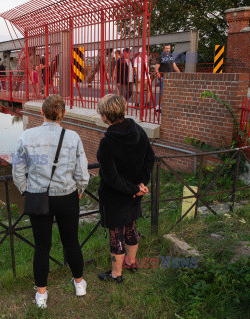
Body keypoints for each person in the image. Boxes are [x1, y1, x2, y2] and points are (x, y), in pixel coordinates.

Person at [12, 94, 90, 309]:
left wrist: (25, 190)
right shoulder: (73, 137)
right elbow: (82, 172)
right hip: (67, 196)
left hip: (38, 197)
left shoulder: (27, 136)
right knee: (71, 241)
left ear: (41, 113)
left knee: (42, 247)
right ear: (62, 114)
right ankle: (79, 283)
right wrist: (80, 189)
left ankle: (41, 295)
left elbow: (18, 169)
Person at [95, 94, 155, 283]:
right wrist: (140, 185)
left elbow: (111, 178)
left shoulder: (107, 142)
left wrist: (133, 188)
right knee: (131, 227)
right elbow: (150, 158)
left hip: (115, 195)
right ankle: (131, 262)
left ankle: (116, 274)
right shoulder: (137, 130)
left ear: (105, 116)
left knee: (116, 233)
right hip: (134, 192)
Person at [155, 44, 180, 112]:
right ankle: (159, 107)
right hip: (163, 77)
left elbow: (174, 66)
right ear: (163, 49)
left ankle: (163, 106)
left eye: (169, 48)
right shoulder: (161, 57)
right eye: (166, 48)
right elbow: (156, 68)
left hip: (170, 77)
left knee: (169, 92)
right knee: (163, 93)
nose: (168, 50)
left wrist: (180, 73)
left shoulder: (171, 56)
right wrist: (160, 77)